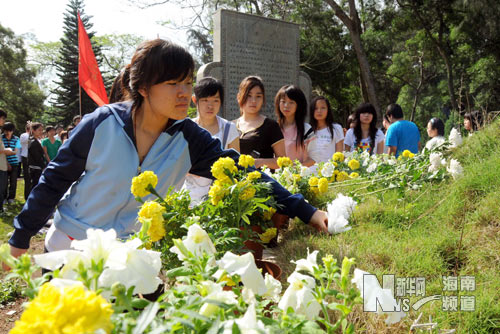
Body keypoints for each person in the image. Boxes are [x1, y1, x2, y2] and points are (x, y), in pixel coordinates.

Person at [6, 39, 328, 265]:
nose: (184, 93)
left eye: (187, 83)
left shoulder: (190, 139)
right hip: (70, 247)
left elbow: (245, 175)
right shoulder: (101, 123)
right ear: (143, 88)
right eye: (173, 83)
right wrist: (20, 239)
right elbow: (54, 181)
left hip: (128, 259)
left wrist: (309, 212)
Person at [182, 77, 240, 205]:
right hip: (187, 197)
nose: (210, 106)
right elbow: (175, 165)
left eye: (215, 100)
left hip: (219, 199)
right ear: (194, 100)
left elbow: (236, 166)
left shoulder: (229, 129)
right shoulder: (186, 128)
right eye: (205, 100)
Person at [235, 76, 286, 169]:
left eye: (258, 96)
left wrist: (259, 162)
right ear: (239, 97)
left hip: (262, 182)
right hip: (234, 181)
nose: (253, 101)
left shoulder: (271, 126)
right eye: (249, 96)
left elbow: (283, 161)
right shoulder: (230, 125)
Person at [275, 85, 315, 166]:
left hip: (297, 176)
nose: (286, 106)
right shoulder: (274, 128)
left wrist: (293, 170)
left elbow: (312, 159)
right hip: (274, 177)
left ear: (299, 105)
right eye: (283, 101)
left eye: (291, 102)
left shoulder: (306, 129)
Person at [308, 96, 344, 163]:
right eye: (316, 108)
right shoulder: (307, 129)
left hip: (329, 171)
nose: (319, 111)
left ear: (328, 110)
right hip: (310, 171)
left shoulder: (336, 128)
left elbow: (340, 154)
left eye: (323, 108)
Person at [2, 122, 21, 204]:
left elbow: (15, 152)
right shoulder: (1, 138)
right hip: (3, 163)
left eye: (9, 131)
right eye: (6, 131)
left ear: (12, 131)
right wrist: (7, 162)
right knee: (4, 182)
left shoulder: (17, 139)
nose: (7, 133)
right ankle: (4, 198)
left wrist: (7, 151)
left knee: (13, 182)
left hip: (14, 163)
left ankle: (11, 198)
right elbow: (2, 153)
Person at [0, 109, 14, 213]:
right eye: (3, 118)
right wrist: (6, 151)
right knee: (1, 188)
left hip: (3, 164)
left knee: (3, 187)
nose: (4, 121)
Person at [27, 122, 46, 190]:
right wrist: (43, 167)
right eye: (39, 130)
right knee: (35, 186)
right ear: (34, 131)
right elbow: (37, 157)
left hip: (37, 167)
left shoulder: (37, 140)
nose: (41, 132)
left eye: (42, 130)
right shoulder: (33, 142)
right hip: (35, 168)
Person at [20, 122, 31, 200]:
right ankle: (27, 196)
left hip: (34, 158)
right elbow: (26, 141)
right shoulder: (23, 135)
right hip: (26, 157)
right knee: (27, 178)